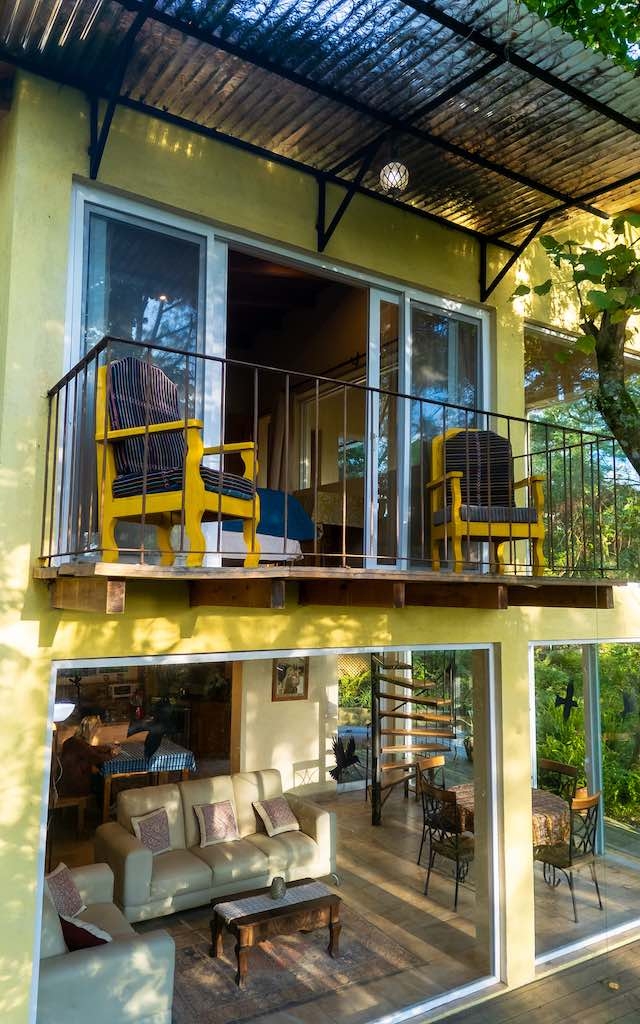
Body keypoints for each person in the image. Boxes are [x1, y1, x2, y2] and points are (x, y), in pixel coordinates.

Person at [58, 716, 119, 798]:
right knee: (102, 780)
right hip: (74, 786)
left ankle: (105, 805)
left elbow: (90, 750)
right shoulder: (81, 745)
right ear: (91, 730)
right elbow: (97, 758)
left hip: (65, 783)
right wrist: (113, 754)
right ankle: (107, 807)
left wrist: (107, 747)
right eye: (96, 729)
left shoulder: (72, 740)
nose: (97, 731)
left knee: (99, 778)